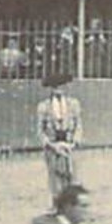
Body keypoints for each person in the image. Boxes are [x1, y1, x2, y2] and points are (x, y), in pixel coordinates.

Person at [37, 72, 82, 203]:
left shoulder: (74, 104)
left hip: (69, 145)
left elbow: (78, 126)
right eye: (55, 86)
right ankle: (57, 204)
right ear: (50, 88)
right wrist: (52, 145)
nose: (59, 89)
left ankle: (71, 205)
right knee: (55, 177)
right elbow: (40, 131)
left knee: (72, 175)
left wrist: (73, 143)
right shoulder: (44, 106)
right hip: (53, 146)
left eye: (62, 86)